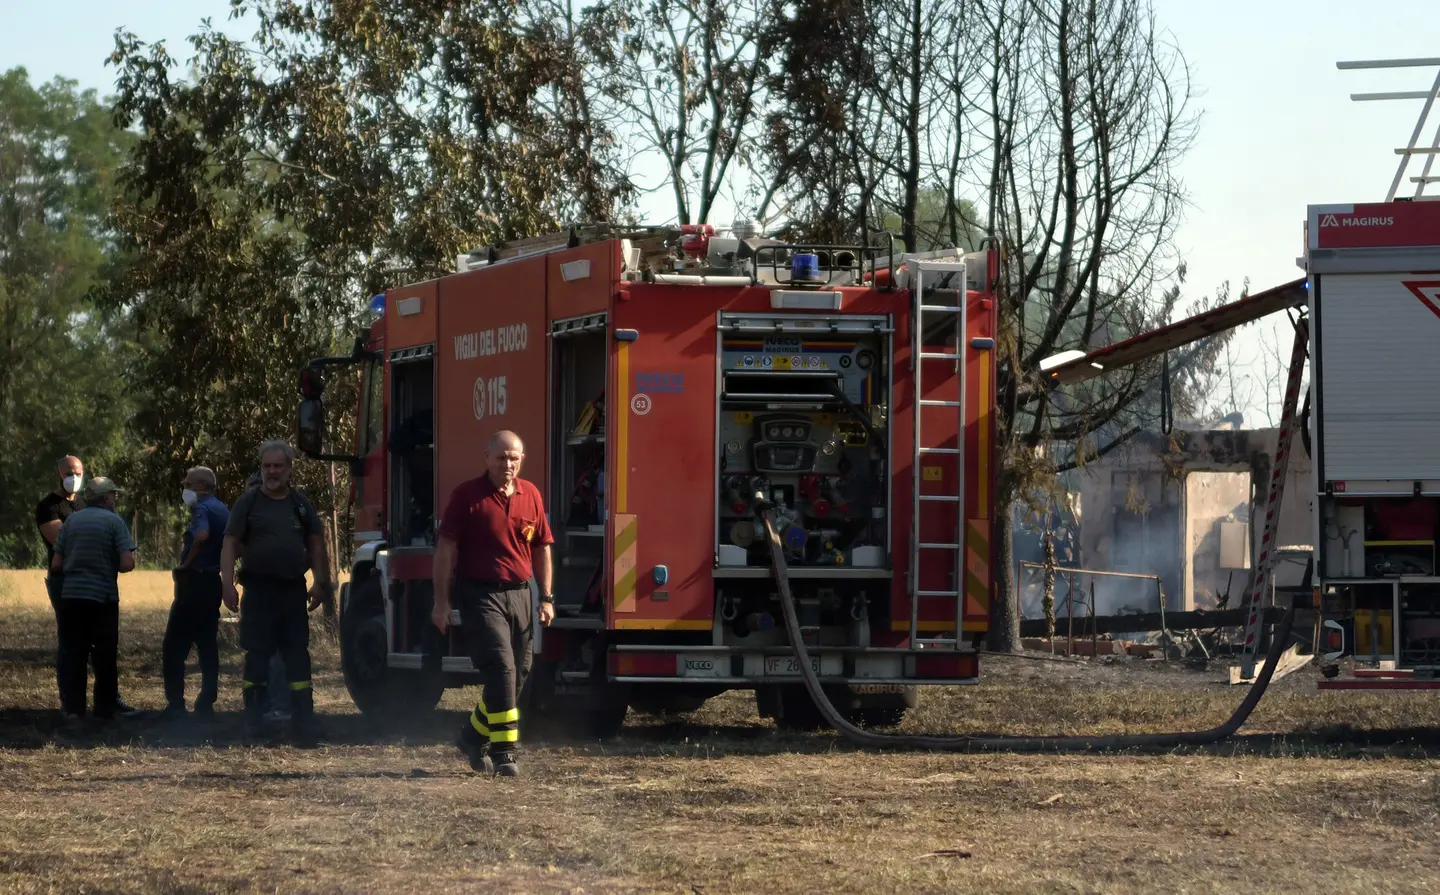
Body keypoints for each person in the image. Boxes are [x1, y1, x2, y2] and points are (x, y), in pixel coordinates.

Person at [432, 429, 555, 778]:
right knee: (501, 668)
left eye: (513, 458)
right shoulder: (467, 496)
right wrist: (441, 603)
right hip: (480, 594)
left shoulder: (531, 494)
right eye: (500, 457)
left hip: (521, 593)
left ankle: (471, 736)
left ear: (522, 460)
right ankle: (505, 753)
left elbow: (543, 547)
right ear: (486, 457)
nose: (507, 464)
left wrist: (545, 597)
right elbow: (445, 551)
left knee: (519, 674)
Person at [221, 441, 331, 745]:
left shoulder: (300, 504)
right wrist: (227, 584)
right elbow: (230, 543)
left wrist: (321, 582)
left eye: (277, 466)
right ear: (261, 468)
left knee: (298, 658)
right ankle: (255, 725)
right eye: (267, 466)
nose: (271, 472)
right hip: (258, 592)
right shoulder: (248, 503)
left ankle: (304, 725)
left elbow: (316, 543)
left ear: (289, 469)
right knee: (257, 657)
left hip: (292, 592)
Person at [34, 456, 138, 718]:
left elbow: (57, 564)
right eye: (113, 496)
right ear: (105, 499)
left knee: (73, 651)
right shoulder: (114, 522)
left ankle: (73, 709)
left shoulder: (72, 521)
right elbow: (127, 564)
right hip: (102, 596)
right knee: (104, 651)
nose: (115, 500)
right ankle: (105, 707)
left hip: (71, 594)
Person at [160, 467, 230, 720]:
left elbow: (201, 535)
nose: (185, 489)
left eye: (188, 484)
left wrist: (186, 563)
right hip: (212, 582)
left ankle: (176, 704)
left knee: (174, 646)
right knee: (207, 645)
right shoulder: (223, 509)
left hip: (195, 582)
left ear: (201, 486)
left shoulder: (202, 508)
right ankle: (206, 701)